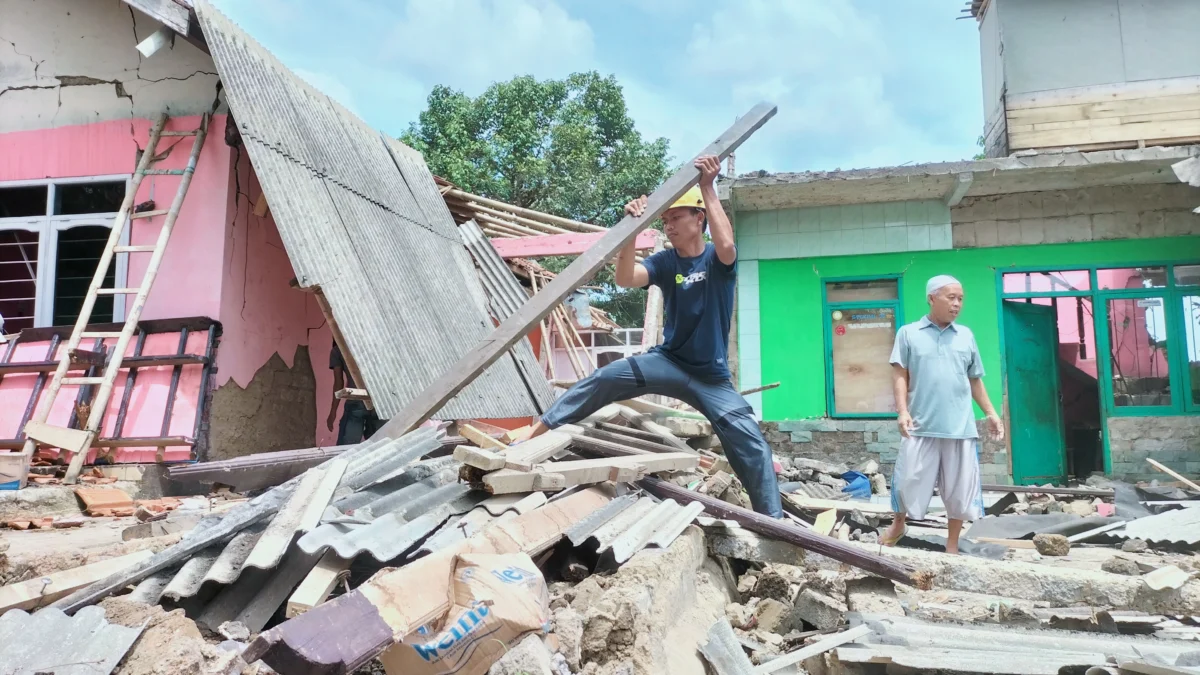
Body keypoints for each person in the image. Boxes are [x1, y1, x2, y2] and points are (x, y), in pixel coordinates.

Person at [514, 155, 783, 518]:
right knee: (606, 377)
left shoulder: (716, 262)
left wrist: (707, 186)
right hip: (668, 362)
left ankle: (774, 524)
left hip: (712, 377)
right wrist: (630, 230)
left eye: (675, 217)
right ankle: (535, 432)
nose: (668, 226)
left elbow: (728, 248)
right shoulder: (666, 262)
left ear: (698, 219)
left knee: (752, 446)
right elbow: (626, 278)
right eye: (665, 220)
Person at [881, 275, 1004, 554]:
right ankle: (899, 524)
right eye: (951, 297)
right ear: (931, 298)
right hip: (920, 424)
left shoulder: (966, 336)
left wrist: (991, 413)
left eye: (960, 299)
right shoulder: (909, 333)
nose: (957, 304)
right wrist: (902, 412)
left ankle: (951, 546)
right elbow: (900, 374)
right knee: (906, 481)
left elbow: (975, 379)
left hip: (960, 427)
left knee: (959, 492)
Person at [327, 342, 381, 445]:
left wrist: (333, 411)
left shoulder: (338, 350)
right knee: (379, 447)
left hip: (356, 399)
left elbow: (338, 382)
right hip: (378, 400)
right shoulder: (373, 344)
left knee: (346, 449)